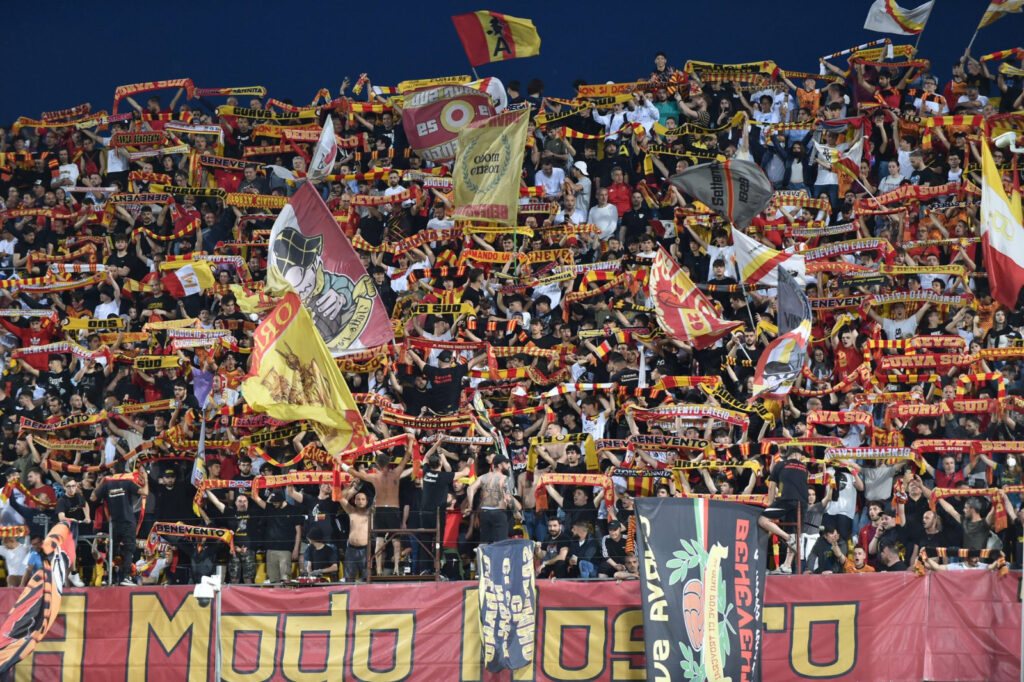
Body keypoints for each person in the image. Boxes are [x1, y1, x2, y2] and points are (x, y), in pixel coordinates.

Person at [342, 448, 412, 575]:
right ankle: (396, 568)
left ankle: (379, 570)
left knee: (379, 540)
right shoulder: (395, 473)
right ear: (389, 463)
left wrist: (340, 463)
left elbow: (356, 473)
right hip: (393, 510)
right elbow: (406, 459)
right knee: (396, 541)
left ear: (378, 465)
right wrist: (411, 444)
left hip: (380, 511)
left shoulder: (375, 477)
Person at [91, 469, 148, 585]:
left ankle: (107, 576)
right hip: (128, 522)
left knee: (112, 549)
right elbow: (145, 492)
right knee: (129, 550)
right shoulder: (127, 483)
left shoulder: (107, 485)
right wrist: (146, 479)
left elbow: (92, 498)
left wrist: (101, 483)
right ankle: (125, 577)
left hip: (114, 524)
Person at [466, 454, 515, 546]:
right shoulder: (505, 479)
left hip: (485, 513)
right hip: (499, 513)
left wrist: (470, 506)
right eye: (506, 463)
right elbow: (508, 498)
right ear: (499, 465)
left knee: (484, 543)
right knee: (501, 544)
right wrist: (515, 511)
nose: (508, 466)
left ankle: (481, 555)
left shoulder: (483, 477)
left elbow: (470, 489)